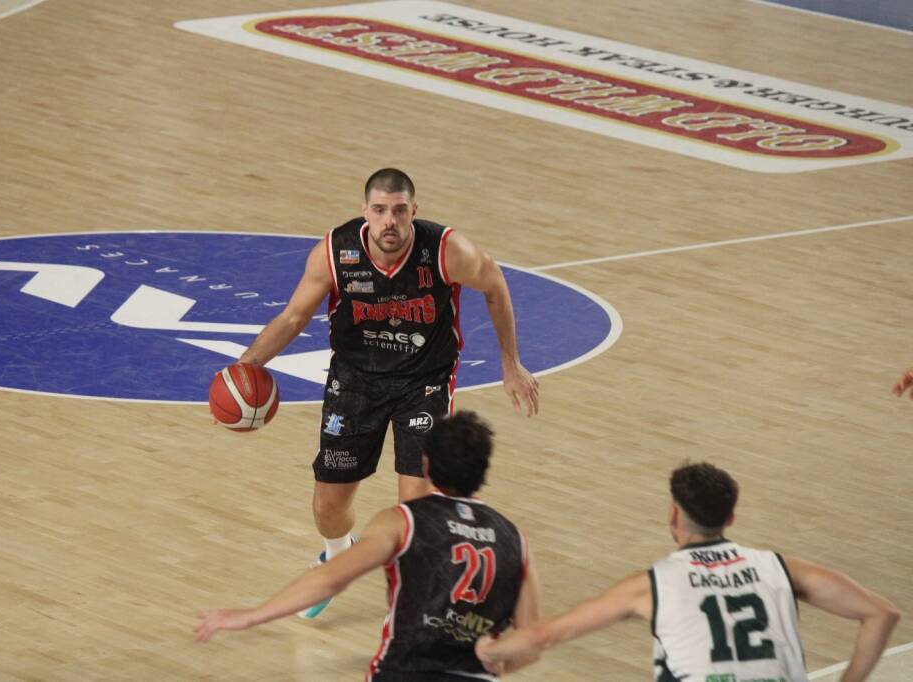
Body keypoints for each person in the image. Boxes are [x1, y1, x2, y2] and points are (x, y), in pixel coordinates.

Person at [236, 168, 540, 618]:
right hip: (356, 381)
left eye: (399, 211)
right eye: (380, 211)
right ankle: (337, 558)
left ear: (414, 212)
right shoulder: (335, 252)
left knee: (416, 505)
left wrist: (511, 364)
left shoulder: (446, 250)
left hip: (425, 382)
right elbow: (293, 317)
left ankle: (410, 600)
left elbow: (494, 285)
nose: (389, 221)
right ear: (366, 212)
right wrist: (247, 365)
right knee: (329, 502)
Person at [195, 411, 542, 681]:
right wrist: (493, 663)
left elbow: (330, 579)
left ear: (426, 464)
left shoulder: (403, 522)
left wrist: (251, 616)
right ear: (484, 469)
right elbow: (532, 643)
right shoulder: (514, 539)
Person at [475, 462, 901, 681]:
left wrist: (491, 651)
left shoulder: (653, 584)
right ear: (731, 517)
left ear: (673, 515)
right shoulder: (782, 568)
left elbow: (549, 634)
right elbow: (883, 614)